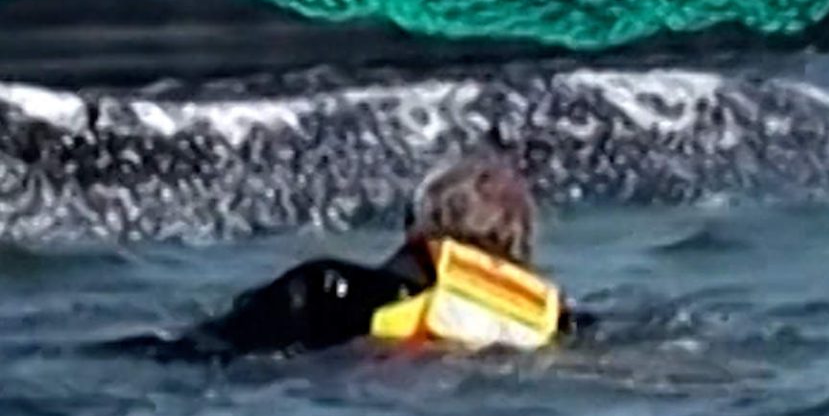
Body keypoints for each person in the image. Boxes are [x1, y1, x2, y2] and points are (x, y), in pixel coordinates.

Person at [122, 153, 586, 362]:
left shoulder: (326, 290)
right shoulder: (556, 325)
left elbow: (198, 352)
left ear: (413, 225)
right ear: (523, 248)